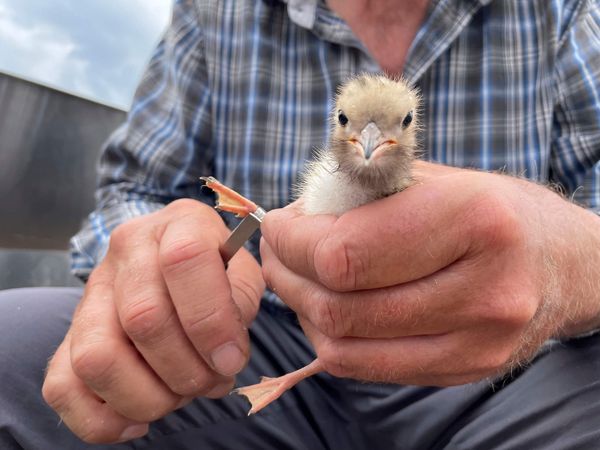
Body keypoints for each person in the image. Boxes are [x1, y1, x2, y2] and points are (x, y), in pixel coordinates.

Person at [1, 0, 600, 448]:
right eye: (354, 126)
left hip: (509, 370)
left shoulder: (559, 11)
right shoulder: (218, 12)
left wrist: (566, 257)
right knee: (12, 346)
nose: (370, 142)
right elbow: (135, 187)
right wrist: (165, 261)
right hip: (265, 338)